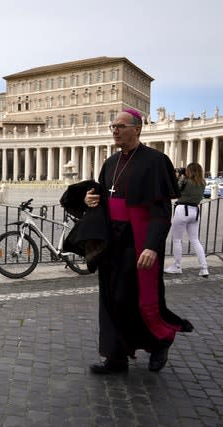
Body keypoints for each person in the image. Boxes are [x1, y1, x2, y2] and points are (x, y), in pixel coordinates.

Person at [85, 109, 193, 374]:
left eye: (121, 126)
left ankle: (160, 342)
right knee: (110, 299)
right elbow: (100, 197)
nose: (115, 131)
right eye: (113, 127)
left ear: (138, 128)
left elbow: (161, 210)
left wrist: (152, 246)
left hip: (138, 242)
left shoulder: (156, 161)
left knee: (137, 299)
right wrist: (89, 201)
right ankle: (116, 357)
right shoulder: (110, 163)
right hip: (113, 241)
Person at [164, 163, 209, 277]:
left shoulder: (185, 181)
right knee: (195, 240)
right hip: (195, 211)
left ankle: (177, 266)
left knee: (177, 239)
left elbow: (174, 191)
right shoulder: (203, 182)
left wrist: (178, 177)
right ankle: (204, 268)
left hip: (182, 210)